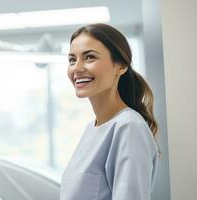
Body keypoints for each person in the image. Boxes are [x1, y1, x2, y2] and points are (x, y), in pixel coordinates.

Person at [60, 23, 160, 200]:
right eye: (72, 60)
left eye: (89, 57)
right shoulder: (91, 128)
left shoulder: (129, 128)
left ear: (120, 66)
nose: (77, 67)